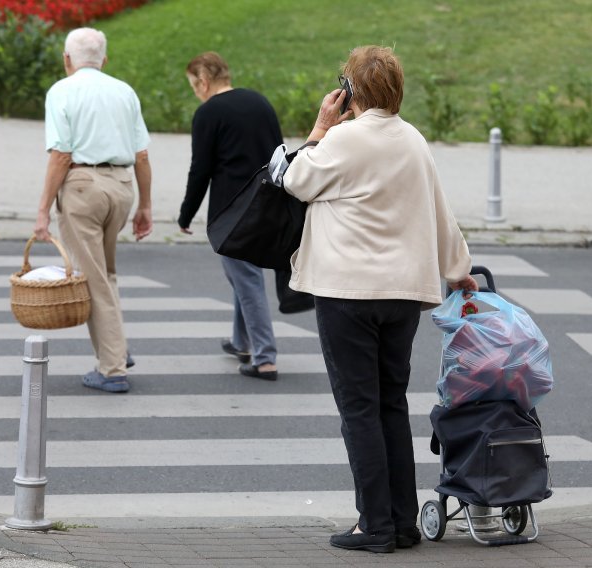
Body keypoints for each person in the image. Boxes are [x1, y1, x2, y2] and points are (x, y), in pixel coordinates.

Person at [283, 45, 479, 553]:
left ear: (351, 91)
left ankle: (373, 525)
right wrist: (458, 272)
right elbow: (441, 212)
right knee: (391, 403)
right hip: (402, 294)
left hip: (347, 291)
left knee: (359, 409)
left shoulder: (344, 139)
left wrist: (320, 127)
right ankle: (402, 520)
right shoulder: (413, 140)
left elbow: (295, 180)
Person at [33, 27, 153, 394]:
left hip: (83, 187)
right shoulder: (124, 91)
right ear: (105, 59)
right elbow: (142, 155)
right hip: (121, 188)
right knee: (106, 273)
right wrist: (145, 204)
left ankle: (113, 368)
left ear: (67, 59)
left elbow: (61, 155)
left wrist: (41, 211)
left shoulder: (62, 91)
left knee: (92, 278)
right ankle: (116, 345)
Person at [177, 52, 283, 381]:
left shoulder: (208, 112)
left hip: (231, 210)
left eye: (194, 85)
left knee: (245, 277)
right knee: (242, 274)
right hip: (266, 202)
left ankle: (264, 358)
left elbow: (201, 170)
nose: (196, 91)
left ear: (203, 82)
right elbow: (278, 152)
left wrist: (186, 214)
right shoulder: (259, 102)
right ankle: (243, 341)